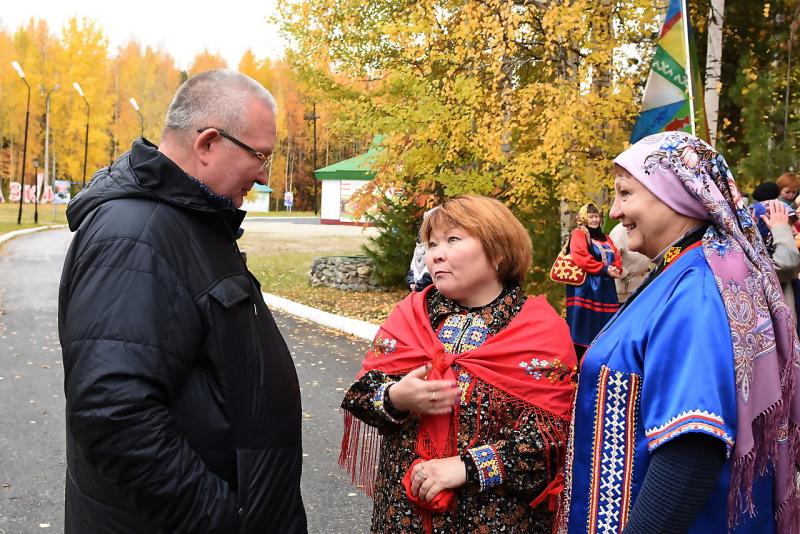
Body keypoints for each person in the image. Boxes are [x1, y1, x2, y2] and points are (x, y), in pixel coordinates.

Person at [58, 70, 307, 533]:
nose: (263, 175)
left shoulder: (190, 220)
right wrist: (222, 519)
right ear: (208, 143)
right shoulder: (137, 234)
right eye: (260, 156)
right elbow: (114, 413)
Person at [558, 132, 800, 533]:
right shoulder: (691, 269)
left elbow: (691, 448)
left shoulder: (698, 288)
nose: (615, 210)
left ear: (675, 192)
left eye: (626, 193)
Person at [340, 195, 577, 533]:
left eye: (453, 239)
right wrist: (395, 398)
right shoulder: (409, 317)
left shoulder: (539, 330)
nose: (436, 253)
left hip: (494, 521)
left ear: (497, 252)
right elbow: (359, 395)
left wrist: (467, 467)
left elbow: (552, 439)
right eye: (432, 243)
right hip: (403, 517)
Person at [564, 203, 622, 359]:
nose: (595, 220)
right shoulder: (579, 234)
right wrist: (604, 269)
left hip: (606, 287)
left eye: (597, 216)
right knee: (584, 327)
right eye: (591, 217)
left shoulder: (605, 238)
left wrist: (616, 268)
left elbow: (616, 255)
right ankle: (579, 363)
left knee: (607, 325)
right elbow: (580, 257)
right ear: (584, 218)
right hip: (585, 289)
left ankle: (602, 357)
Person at [608, 221, 651, 303]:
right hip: (624, 288)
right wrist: (624, 274)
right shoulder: (619, 231)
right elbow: (611, 257)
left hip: (641, 284)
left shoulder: (643, 226)